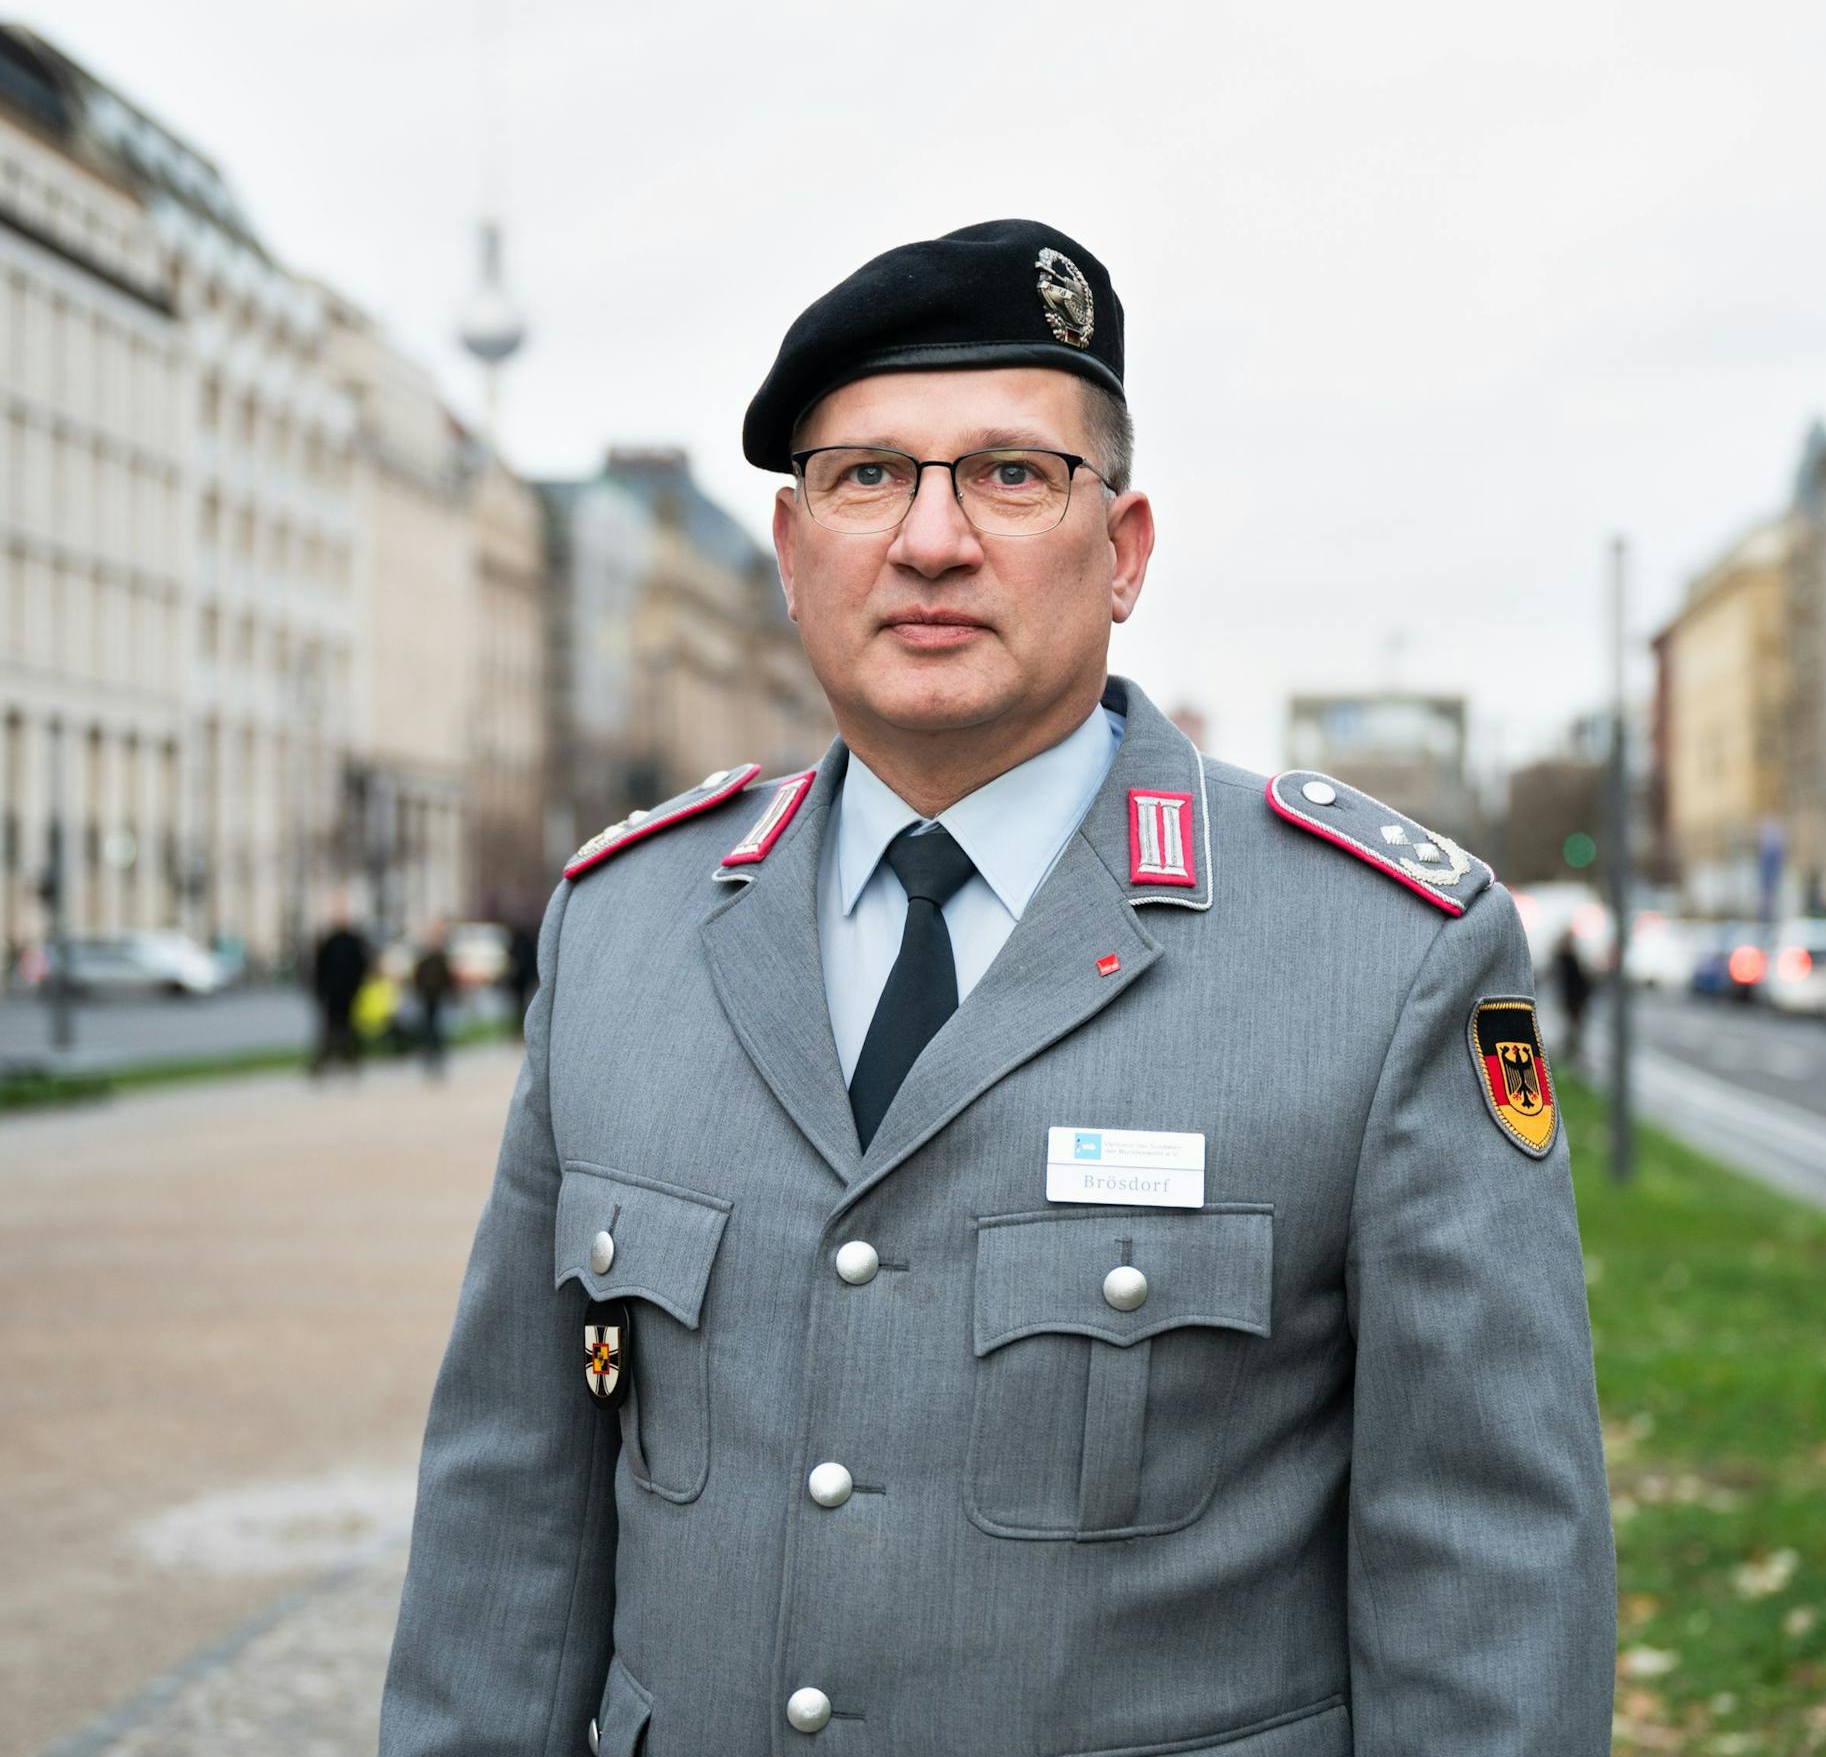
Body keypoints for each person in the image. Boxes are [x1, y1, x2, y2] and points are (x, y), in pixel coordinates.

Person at [381, 220, 1616, 1755]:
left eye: (1011, 474)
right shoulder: (623, 927)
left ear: (1126, 549)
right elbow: (512, 1516)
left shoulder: (1376, 957)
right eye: (867, 476)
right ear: (792, 553)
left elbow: (1488, 1581)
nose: (930, 540)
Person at [307, 897, 368, 1078]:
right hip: (335, 992)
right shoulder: (332, 942)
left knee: (344, 1028)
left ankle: (348, 1059)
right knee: (333, 1029)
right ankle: (330, 1062)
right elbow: (320, 969)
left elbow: (360, 966)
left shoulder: (349, 941)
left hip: (344, 992)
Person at [410, 921, 457, 1078]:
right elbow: (417, 978)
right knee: (429, 1029)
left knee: (435, 1029)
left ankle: (436, 1058)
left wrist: (450, 993)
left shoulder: (439, 959)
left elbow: (447, 979)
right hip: (427, 997)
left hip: (437, 997)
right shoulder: (425, 960)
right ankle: (430, 1057)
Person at [1552, 926, 1596, 1068]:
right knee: (1573, 1028)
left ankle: (1569, 1054)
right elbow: (1575, 979)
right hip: (1573, 998)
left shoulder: (1563, 958)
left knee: (1572, 1028)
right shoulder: (1568, 959)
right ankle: (1570, 1055)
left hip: (1572, 998)